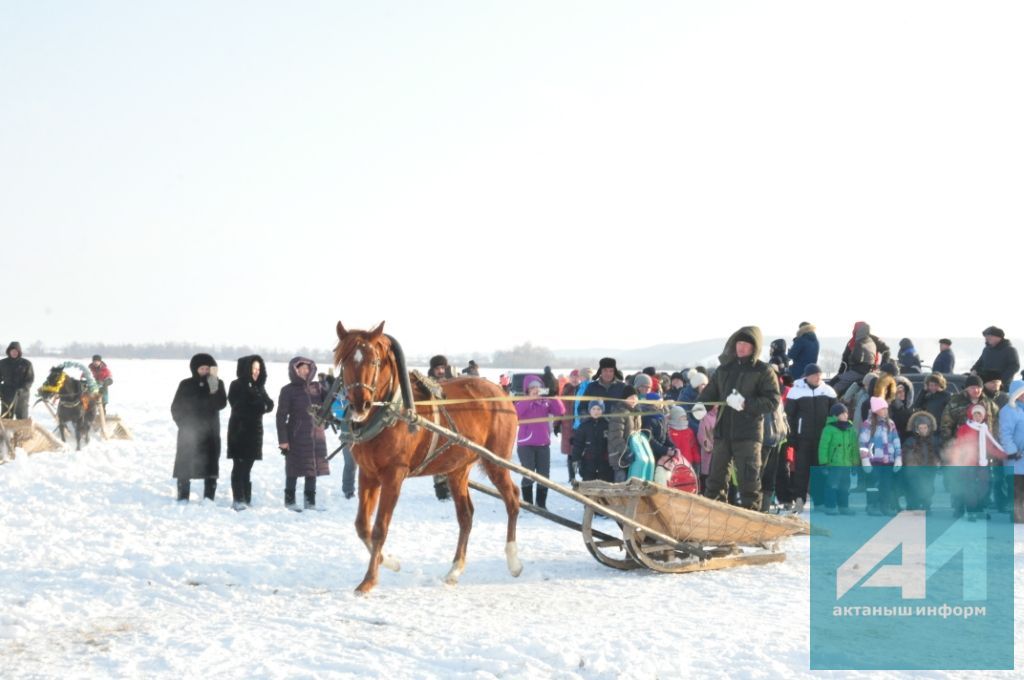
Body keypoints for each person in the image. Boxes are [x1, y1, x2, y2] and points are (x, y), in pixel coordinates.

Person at [698, 326, 781, 510]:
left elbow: (772, 401)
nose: (741, 347)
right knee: (715, 480)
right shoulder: (724, 369)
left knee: (749, 482)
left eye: (746, 344)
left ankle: (751, 522)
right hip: (723, 433)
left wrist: (745, 403)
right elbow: (710, 393)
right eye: (739, 342)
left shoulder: (763, 370)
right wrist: (699, 406)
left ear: (754, 347)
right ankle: (714, 517)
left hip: (749, 434)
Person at [171, 353, 227, 502]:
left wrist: (213, 384)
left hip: (210, 432)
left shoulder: (217, 383)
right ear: (195, 369)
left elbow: (220, 404)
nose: (205, 371)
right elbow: (176, 407)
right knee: (185, 464)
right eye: (202, 368)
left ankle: (209, 498)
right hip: (188, 432)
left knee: (210, 466)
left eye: (208, 368)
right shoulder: (185, 384)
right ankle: (183, 497)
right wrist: (184, 424)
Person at [277, 357, 330, 511]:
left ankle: (310, 502)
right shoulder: (287, 390)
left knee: (312, 468)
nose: (305, 371)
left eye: (307, 368)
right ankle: (290, 501)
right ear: (295, 370)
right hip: (296, 435)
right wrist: (283, 440)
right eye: (301, 368)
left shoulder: (317, 388)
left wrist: (329, 386)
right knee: (293, 468)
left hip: (316, 435)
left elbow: (330, 404)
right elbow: (281, 416)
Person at [783, 364, 837, 512]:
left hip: (823, 439)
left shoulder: (828, 391)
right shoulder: (796, 391)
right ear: (806, 376)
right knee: (801, 470)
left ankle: (819, 501)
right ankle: (799, 499)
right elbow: (789, 417)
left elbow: (835, 416)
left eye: (819, 374)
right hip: (802, 438)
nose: (817, 377)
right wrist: (792, 437)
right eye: (814, 375)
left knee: (820, 470)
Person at [226, 355, 274, 511]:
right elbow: (238, 406)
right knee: (239, 466)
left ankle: (246, 498)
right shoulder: (236, 384)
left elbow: (269, 404)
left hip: (255, 433)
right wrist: (260, 406)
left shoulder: (259, 386)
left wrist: (263, 405)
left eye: (259, 369)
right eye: (253, 368)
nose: (256, 372)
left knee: (247, 467)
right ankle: (238, 499)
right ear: (246, 369)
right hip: (239, 432)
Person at [945, 403, 1007, 521]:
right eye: (975, 414)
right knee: (970, 487)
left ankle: (979, 508)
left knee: (983, 487)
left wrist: (1006, 455)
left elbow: (990, 447)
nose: (977, 417)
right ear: (971, 415)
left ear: (983, 416)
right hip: (968, 464)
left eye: (980, 415)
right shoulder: (964, 428)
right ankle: (971, 510)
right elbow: (959, 445)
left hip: (982, 464)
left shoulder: (984, 429)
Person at [514, 375, 565, 507]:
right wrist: (530, 399)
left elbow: (560, 411)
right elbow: (516, 413)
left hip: (543, 444)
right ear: (527, 389)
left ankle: (541, 504)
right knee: (528, 474)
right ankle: (528, 503)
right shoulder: (521, 402)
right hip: (526, 445)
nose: (536, 390)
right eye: (532, 387)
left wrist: (553, 397)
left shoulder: (546, 402)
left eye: (538, 387)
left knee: (544, 475)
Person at [858, 397, 902, 516]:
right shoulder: (868, 424)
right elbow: (863, 443)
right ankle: (872, 505)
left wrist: (898, 457)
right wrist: (865, 459)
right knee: (873, 484)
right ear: (876, 410)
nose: (885, 411)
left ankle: (885, 505)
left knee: (886, 484)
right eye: (882, 409)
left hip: (888, 461)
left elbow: (896, 441)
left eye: (886, 409)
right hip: (874, 460)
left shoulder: (890, 423)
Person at [817, 403, 859, 515]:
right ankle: (830, 506)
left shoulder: (851, 429)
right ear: (835, 415)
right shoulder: (829, 429)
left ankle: (844, 506)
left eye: (846, 413)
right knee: (832, 485)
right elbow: (823, 447)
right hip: (834, 464)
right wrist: (823, 463)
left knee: (845, 487)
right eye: (842, 414)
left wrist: (855, 463)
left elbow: (854, 448)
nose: (846, 415)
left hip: (846, 464)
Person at [903, 411, 940, 512]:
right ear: (916, 429)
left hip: (929, 468)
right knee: (914, 486)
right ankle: (913, 504)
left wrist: (938, 461)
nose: (923, 430)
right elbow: (905, 454)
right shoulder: (910, 441)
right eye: (920, 428)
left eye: (925, 428)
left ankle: (926, 505)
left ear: (929, 428)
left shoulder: (934, 440)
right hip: (916, 469)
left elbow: (939, 453)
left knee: (928, 487)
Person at [998, 380, 1024, 523]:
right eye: (1021, 393)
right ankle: (1018, 516)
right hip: (1016, 459)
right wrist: (1012, 452)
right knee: (1017, 489)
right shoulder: (1009, 411)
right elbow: (1005, 434)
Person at [427, 354, 452, 499]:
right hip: (435, 423)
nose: (441, 371)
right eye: (438, 368)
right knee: (438, 455)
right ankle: (441, 488)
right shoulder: (428, 382)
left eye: (443, 368)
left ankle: (453, 484)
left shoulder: (451, 382)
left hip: (452, 423)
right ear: (433, 369)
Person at [571, 401, 611, 481]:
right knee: (588, 485)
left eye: (599, 409)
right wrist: (575, 459)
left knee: (604, 486)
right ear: (589, 410)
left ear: (602, 410)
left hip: (604, 463)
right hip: (588, 463)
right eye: (593, 409)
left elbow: (611, 443)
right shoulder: (584, 426)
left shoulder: (607, 425)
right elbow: (578, 445)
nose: (596, 411)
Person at [971, 326, 1020, 392]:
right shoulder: (986, 350)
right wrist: (974, 370)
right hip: (984, 384)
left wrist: (1001, 381)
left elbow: (1014, 366)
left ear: (998, 336)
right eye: (986, 336)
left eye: (989, 335)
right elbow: (979, 362)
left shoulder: (1010, 350)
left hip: (1000, 386)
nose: (987, 338)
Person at [0, 341, 34, 419]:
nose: (14, 353)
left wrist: (23, 389)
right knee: (6, 418)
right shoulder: (2, 363)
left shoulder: (26, 363)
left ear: (19, 352)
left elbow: (29, 379)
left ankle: (22, 431)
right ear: (9, 351)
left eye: (16, 351)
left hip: (22, 396)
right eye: (12, 351)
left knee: (22, 419)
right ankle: (5, 431)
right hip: (7, 395)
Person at [559, 369, 583, 482]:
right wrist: (556, 423)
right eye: (572, 376)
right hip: (567, 426)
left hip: (581, 426)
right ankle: (571, 477)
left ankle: (584, 476)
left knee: (582, 452)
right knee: (570, 454)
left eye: (576, 376)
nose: (574, 379)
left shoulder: (584, 389)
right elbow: (560, 409)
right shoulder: (566, 390)